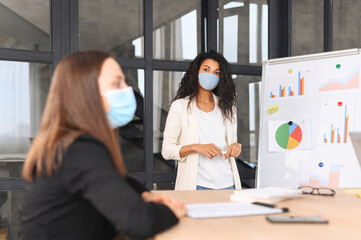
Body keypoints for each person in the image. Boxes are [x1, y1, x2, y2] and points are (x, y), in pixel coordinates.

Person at [18, 51, 186, 240]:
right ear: (86, 94)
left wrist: (145, 196)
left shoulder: (71, 143)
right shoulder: (81, 149)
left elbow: (116, 181)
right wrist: (169, 211)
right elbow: (139, 221)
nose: (127, 89)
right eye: (116, 83)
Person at [162, 50, 242, 191]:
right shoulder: (180, 106)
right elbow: (167, 151)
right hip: (197, 186)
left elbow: (232, 141)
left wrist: (236, 146)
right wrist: (196, 147)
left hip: (228, 184)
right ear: (196, 72)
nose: (211, 75)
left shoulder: (228, 107)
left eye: (216, 72)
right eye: (206, 69)